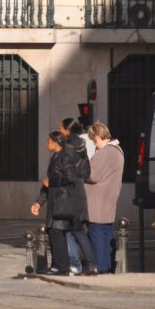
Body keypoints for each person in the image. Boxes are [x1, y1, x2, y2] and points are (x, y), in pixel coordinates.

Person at [30, 130, 97, 276]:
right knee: (53, 231)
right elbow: (48, 185)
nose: (47, 144)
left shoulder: (65, 157)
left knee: (57, 231)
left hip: (63, 201)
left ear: (55, 143)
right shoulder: (55, 157)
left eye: (48, 141)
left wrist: (53, 182)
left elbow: (71, 178)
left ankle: (61, 266)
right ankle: (59, 265)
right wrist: (39, 203)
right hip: (55, 199)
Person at [85, 122, 124, 273]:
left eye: (94, 140)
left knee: (97, 235)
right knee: (107, 234)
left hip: (97, 201)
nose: (94, 143)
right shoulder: (117, 150)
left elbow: (92, 174)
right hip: (108, 198)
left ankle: (100, 266)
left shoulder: (106, 152)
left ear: (98, 136)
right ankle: (108, 265)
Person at [58, 117, 90, 273]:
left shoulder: (67, 146)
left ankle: (75, 264)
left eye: (61, 128)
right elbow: (87, 171)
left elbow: (65, 171)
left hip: (69, 193)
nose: (59, 131)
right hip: (80, 191)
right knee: (79, 231)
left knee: (68, 230)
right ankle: (92, 263)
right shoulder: (83, 144)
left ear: (67, 130)